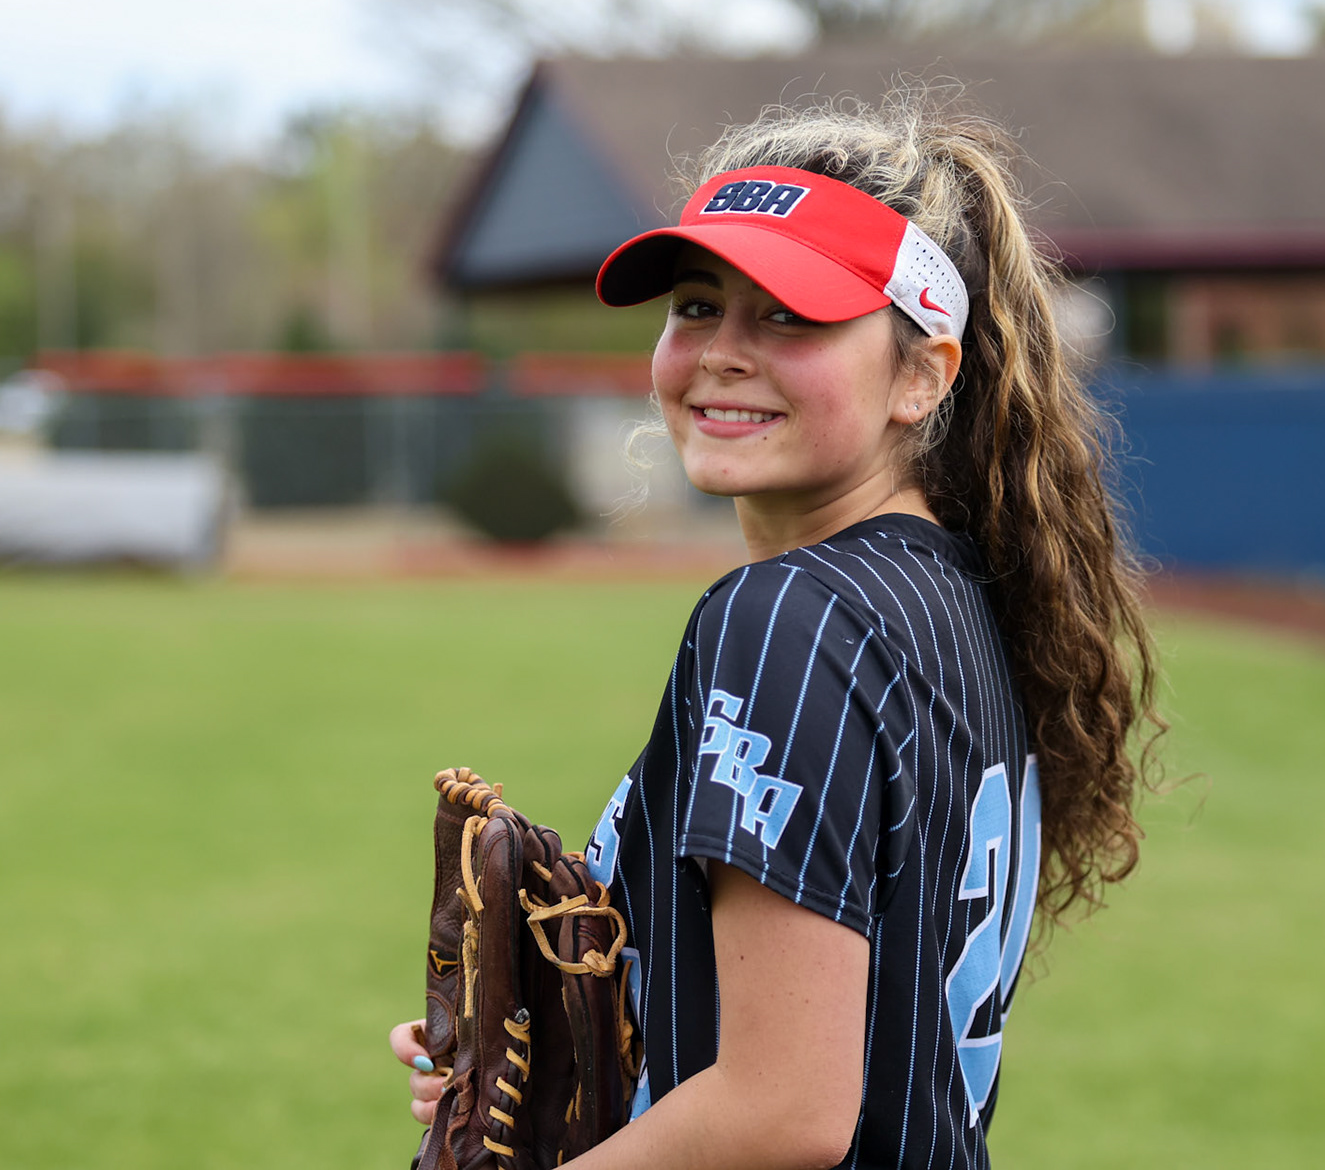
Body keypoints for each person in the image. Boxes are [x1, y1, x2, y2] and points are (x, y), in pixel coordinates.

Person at [391, 93, 1160, 1169]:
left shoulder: (790, 616)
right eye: (699, 306)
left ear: (920, 372)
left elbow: (782, 1106)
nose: (722, 352)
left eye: (791, 315)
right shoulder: (954, 600)